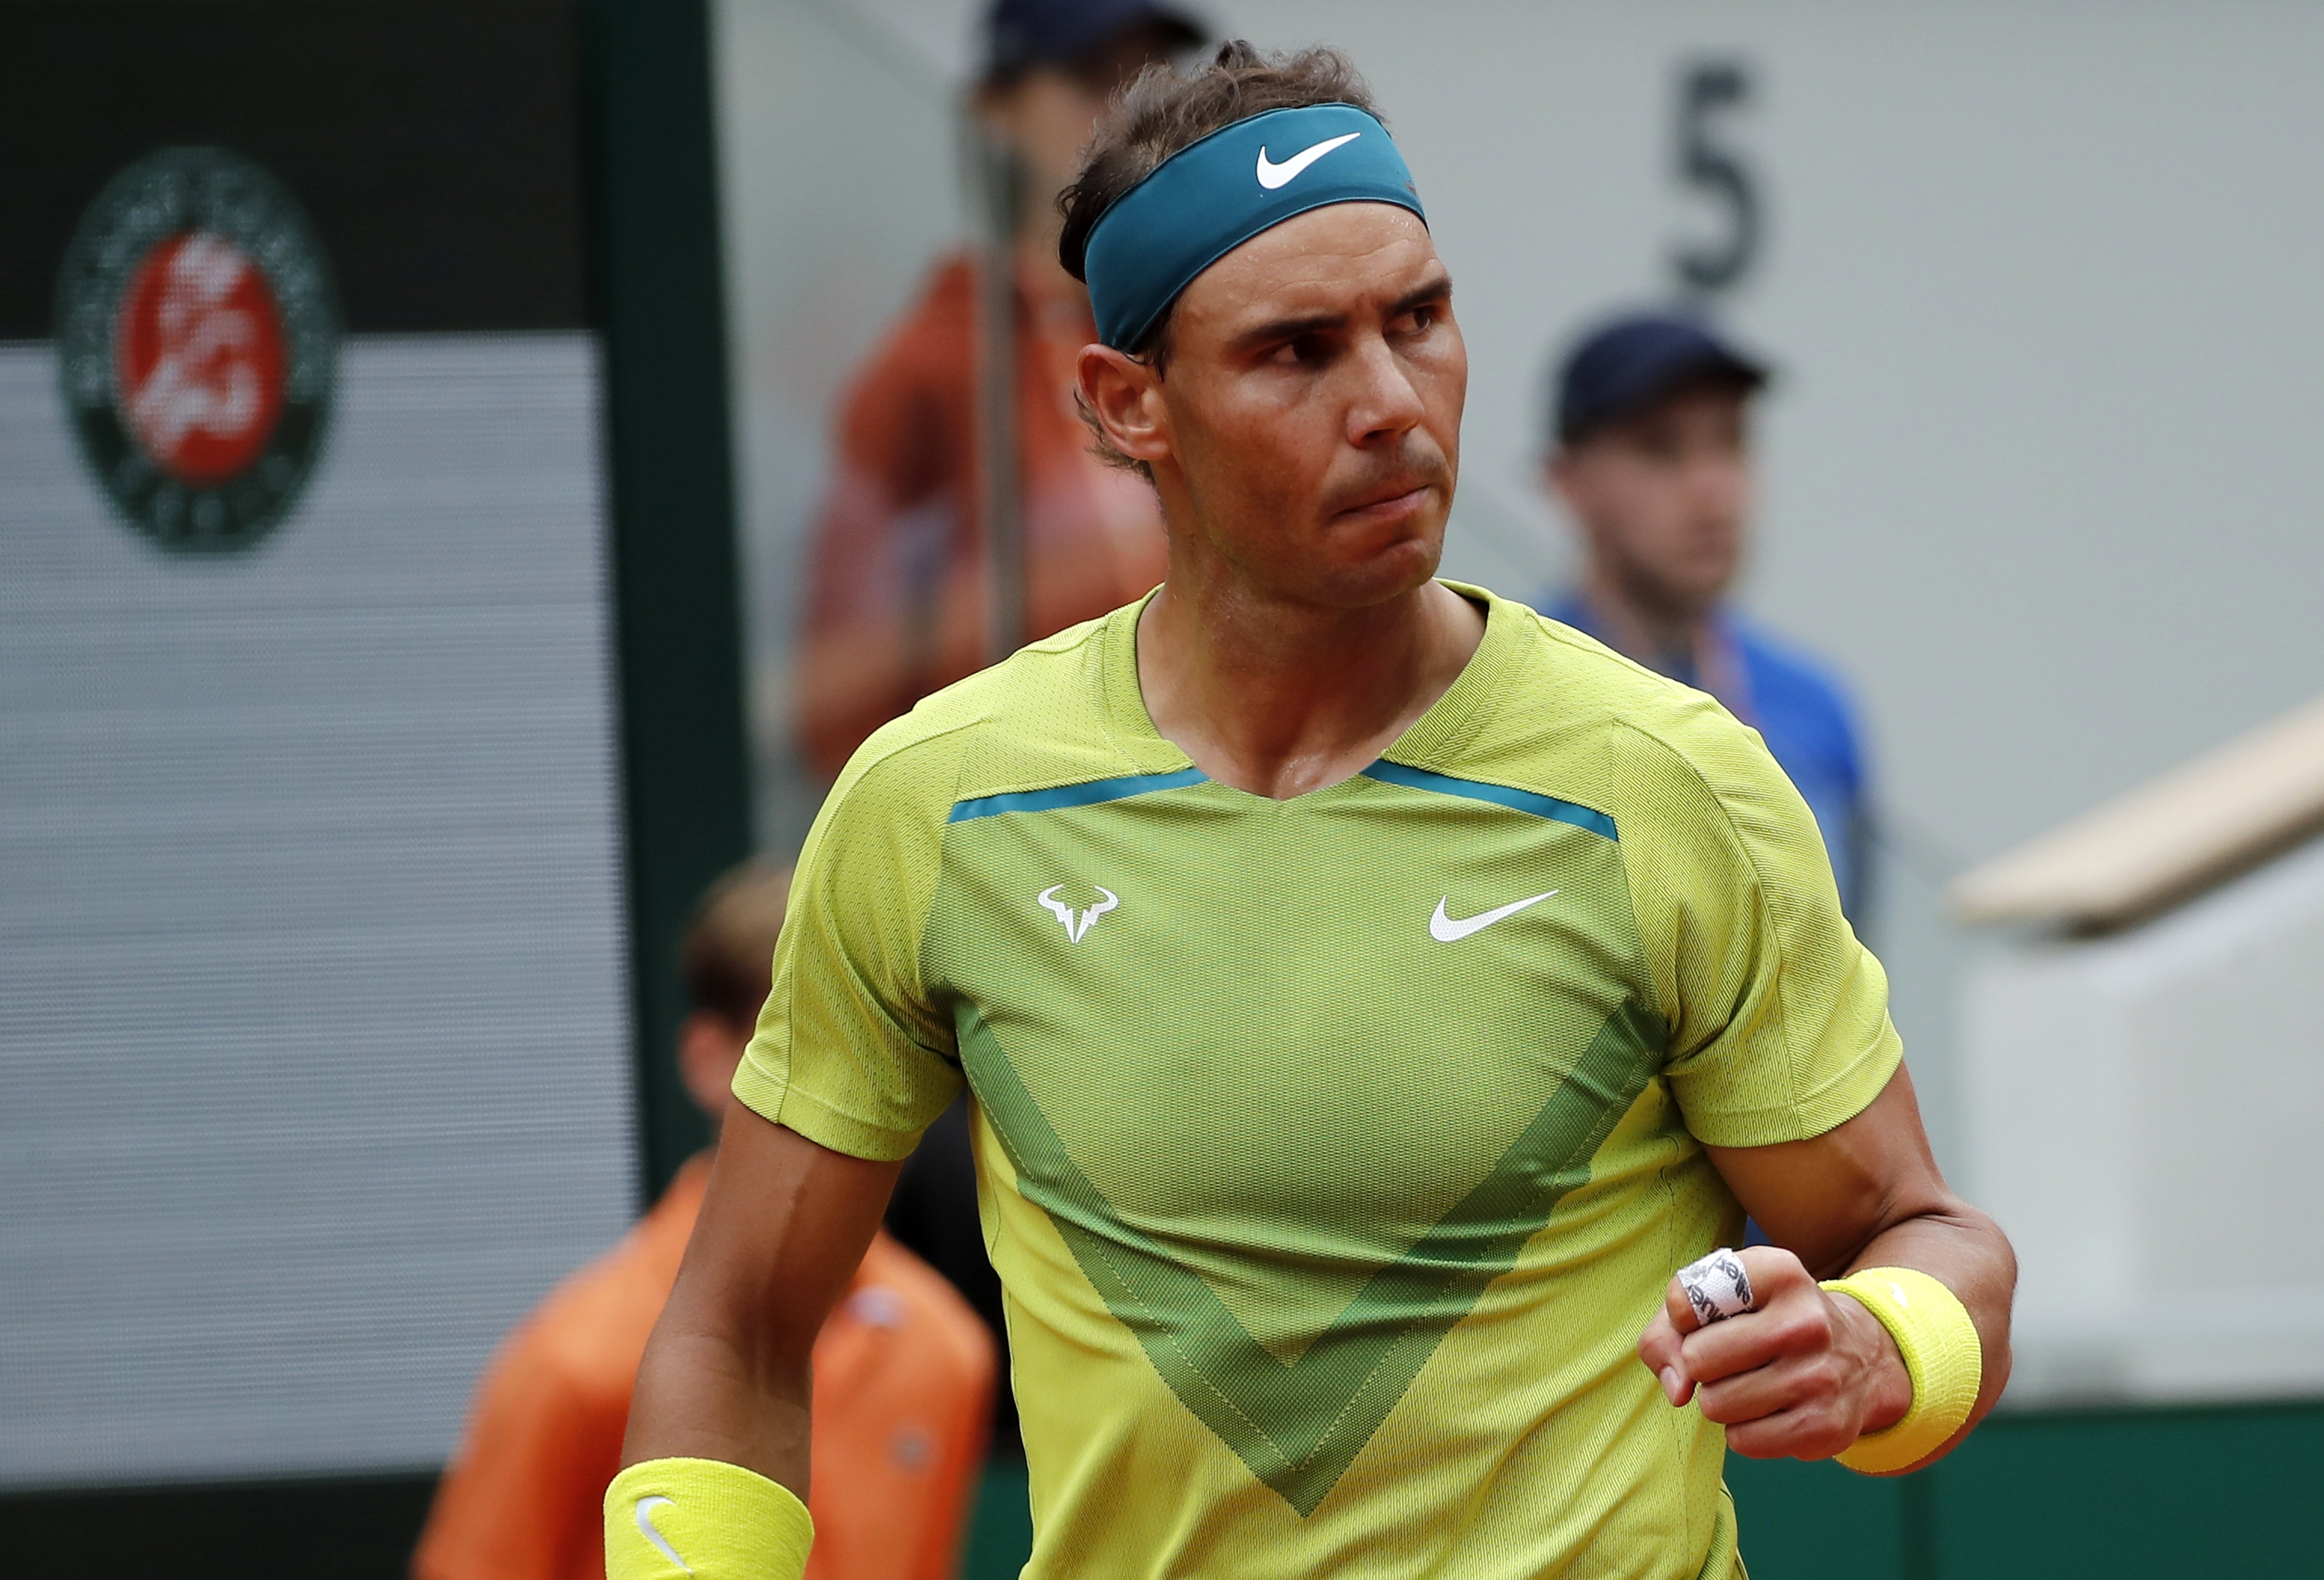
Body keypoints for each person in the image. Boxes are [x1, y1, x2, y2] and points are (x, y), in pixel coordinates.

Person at [609, 44, 2015, 1580]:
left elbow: (1927, 1234)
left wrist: (1881, 1348)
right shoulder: (935, 803)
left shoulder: (1667, 780)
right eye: (1298, 351)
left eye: (1420, 320)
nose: (1394, 405)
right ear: (1125, 403)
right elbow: (737, 1327)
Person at [411, 862, 992, 1580]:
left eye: (886, 1045)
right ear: (707, 1060)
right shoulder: (572, 1362)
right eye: (801, 1047)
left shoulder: (945, 1351)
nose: (854, 1089)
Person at [795, 0, 1204, 780]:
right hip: (1019, 823)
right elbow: (840, 689)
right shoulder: (929, 370)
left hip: (1205, 796)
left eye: (1152, 86)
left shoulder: (1186, 324)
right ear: (997, 110)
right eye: (1092, 81)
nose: (1129, 117)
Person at [1539, 312, 1873, 917]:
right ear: (1568, 482)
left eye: (1731, 441)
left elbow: (1857, 979)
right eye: (1661, 449)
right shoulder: (1508, 699)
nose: (1710, 488)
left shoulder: (1814, 706)